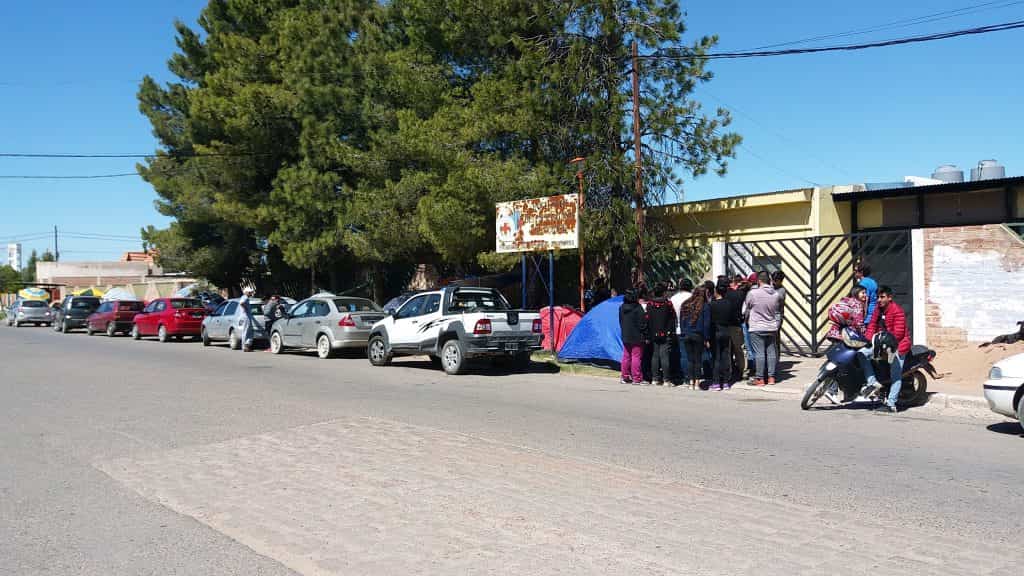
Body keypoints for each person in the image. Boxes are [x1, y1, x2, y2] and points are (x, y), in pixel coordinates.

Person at [863, 286, 912, 413]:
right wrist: (868, 340)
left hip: (898, 345)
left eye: (882, 297)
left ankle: (891, 404)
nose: (879, 300)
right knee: (862, 354)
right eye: (878, 297)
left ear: (889, 298)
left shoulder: (897, 311)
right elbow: (872, 325)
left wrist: (883, 343)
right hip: (881, 343)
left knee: (895, 375)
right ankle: (872, 383)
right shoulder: (877, 309)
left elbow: (898, 334)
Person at [743, 271, 782, 386]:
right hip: (771, 327)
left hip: (756, 326)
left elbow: (747, 308)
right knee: (771, 352)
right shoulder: (776, 294)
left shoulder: (752, 293)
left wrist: (747, 320)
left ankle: (759, 378)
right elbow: (777, 311)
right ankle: (771, 377)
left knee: (759, 352)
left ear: (759, 281)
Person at [643, 283, 676, 386]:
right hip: (665, 333)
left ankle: (655, 378)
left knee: (655, 356)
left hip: (653, 333)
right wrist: (670, 331)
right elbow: (672, 318)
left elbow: (647, 319)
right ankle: (666, 379)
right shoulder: (668, 304)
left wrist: (648, 333)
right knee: (664, 356)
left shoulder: (650, 304)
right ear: (664, 292)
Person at [680, 287, 711, 389]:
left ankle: (691, 381)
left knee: (690, 359)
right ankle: (697, 382)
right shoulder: (705, 306)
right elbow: (706, 324)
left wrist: (683, 332)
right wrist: (706, 338)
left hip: (687, 334)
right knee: (698, 360)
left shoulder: (685, 304)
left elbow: (682, 321)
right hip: (698, 334)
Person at [708, 284, 734, 390]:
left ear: (716, 292)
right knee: (725, 356)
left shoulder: (712, 304)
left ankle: (716, 382)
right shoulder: (729, 303)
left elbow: (710, 320)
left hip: (715, 330)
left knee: (716, 357)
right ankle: (726, 381)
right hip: (726, 330)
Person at [618, 289, 646, 385]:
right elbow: (642, 324)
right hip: (637, 335)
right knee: (636, 357)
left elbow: (620, 320)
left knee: (626, 356)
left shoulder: (621, 307)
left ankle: (624, 376)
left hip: (625, 334)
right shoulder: (638, 308)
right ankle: (636, 378)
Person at [724, 276, 746, 382]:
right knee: (738, 350)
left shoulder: (720, 295)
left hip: (724, 325)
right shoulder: (739, 294)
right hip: (736, 324)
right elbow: (743, 309)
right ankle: (741, 370)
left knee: (727, 350)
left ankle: (729, 371)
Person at [771, 270, 787, 377]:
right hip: (769, 316)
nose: (773, 282)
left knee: (775, 340)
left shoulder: (781, 290)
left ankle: (775, 362)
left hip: (777, 316)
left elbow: (777, 301)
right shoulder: (771, 287)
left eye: (776, 280)